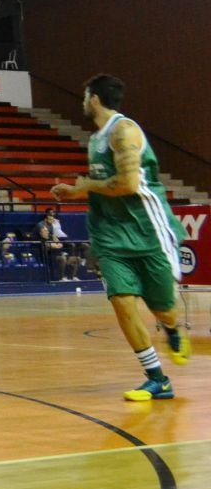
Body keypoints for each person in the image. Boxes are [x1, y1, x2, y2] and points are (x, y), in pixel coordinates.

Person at [52, 73, 188, 401]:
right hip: (110, 234)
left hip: (146, 230)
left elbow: (127, 185)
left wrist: (84, 187)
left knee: (164, 309)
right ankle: (157, 378)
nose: (83, 102)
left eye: (85, 96)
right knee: (122, 302)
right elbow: (105, 187)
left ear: (94, 98)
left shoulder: (124, 131)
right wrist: (78, 193)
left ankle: (171, 328)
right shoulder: (96, 139)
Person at [37, 207, 83, 281]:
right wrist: (54, 245)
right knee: (63, 257)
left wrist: (57, 244)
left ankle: (72, 276)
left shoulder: (52, 227)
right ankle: (62, 277)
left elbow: (57, 241)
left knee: (77, 258)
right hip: (50, 252)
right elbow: (46, 242)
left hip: (57, 246)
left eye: (52, 215)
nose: (52, 217)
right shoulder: (42, 226)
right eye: (50, 216)